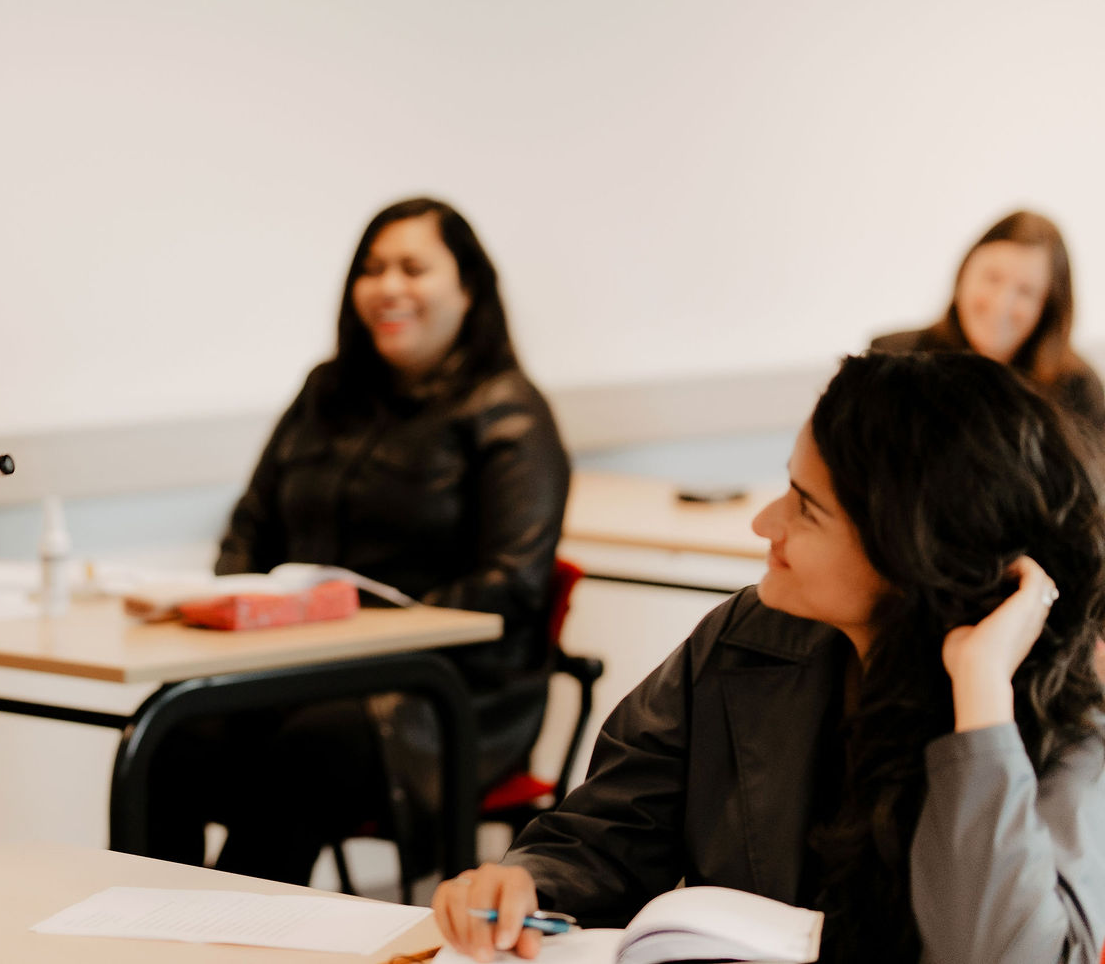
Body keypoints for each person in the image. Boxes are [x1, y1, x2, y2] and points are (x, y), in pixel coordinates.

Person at [433, 351, 1105, 964]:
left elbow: (1005, 954)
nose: (766, 522)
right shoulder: (746, 637)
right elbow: (605, 832)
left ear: (909, 552)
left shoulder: (1064, 724)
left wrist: (981, 693)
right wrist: (524, 882)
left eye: (806, 509)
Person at [151, 198, 570, 884]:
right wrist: (240, 608)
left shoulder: (507, 409)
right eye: (372, 268)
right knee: (171, 732)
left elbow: (512, 582)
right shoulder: (327, 389)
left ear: (468, 288)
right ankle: (140, 937)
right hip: (307, 670)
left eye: (414, 267)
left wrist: (363, 632)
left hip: (446, 697)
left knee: (307, 752)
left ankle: (222, 945)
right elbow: (251, 524)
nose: (388, 286)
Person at [872, 209, 1105, 430]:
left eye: (1026, 291)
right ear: (964, 274)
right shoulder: (892, 359)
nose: (1002, 304)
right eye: (992, 278)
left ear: (1048, 308)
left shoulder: (1078, 391)